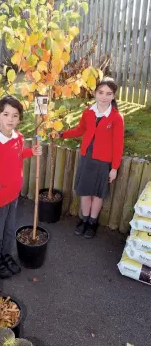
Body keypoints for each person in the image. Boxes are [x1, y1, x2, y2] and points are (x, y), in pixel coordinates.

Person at [0, 96, 42, 279]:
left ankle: (6, 255)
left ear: (19, 119)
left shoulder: (19, 138)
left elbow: (16, 156)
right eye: (6, 114)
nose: (10, 119)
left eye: (15, 115)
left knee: (9, 229)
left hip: (13, 194)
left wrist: (30, 152)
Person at [60, 77, 124, 238]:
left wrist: (114, 168)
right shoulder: (88, 112)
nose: (104, 97)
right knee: (85, 192)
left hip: (103, 163)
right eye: (100, 92)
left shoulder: (116, 118)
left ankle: (92, 223)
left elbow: (118, 145)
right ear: (95, 93)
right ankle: (84, 219)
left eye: (108, 94)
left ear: (113, 96)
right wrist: (62, 134)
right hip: (87, 159)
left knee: (97, 194)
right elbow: (80, 129)